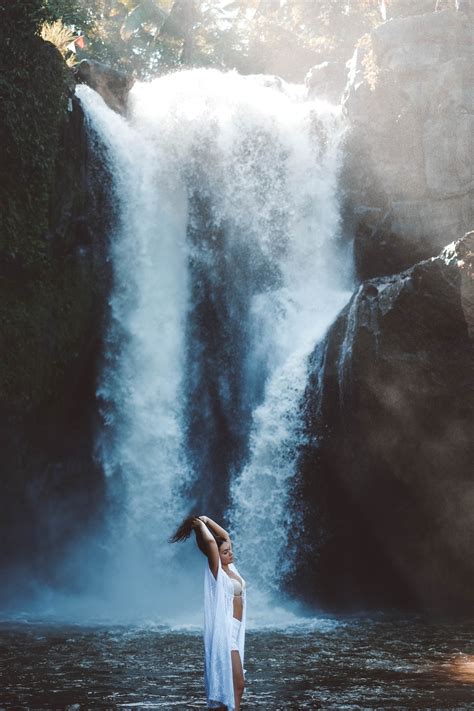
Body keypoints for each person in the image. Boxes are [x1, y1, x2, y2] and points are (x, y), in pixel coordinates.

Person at [170, 514, 246, 710]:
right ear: (216, 557)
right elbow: (211, 542)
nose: (230, 553)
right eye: (225, 552)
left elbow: (224, 535)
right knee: (237, 685)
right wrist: (199, 525)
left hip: (236, 630)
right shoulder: (217, 572)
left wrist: (207, 519)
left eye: (230, 551)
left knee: (235, 686)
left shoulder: (231, 568)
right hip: (226, 631)